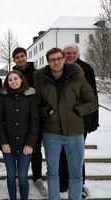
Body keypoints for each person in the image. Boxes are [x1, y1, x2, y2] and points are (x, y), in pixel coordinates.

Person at [34, 48, 98, 200]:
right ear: (48, 61)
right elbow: (36, 106)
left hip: (75, 133)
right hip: (51, 133)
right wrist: (46, 111)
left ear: (64, 59)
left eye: (58, 58)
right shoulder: (42, 80)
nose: (56, 62)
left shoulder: (77, 78)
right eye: (52, 60)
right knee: (52, 172)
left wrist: (78, 111)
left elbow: (92, 102)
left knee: (76, 173)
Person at [59, 43, 99, 198]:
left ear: (78, 54)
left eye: (73, 53)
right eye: (68, 53)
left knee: (77, 155)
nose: (71, 56)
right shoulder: (59, 68)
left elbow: (92, 96)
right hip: (60, 120)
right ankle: (63, 182)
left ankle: (79, 184)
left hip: (80, 120)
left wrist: (93, 121)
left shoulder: (86, 69)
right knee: (61, 153)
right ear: (63, 54)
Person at [0, 70, 39, 200]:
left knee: (22, 176)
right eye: (10, 80)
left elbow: (35, 122)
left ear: (21, 80)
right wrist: (3, 142)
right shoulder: (3, 97)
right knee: (11, 176)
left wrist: (30, 144)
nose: (13, 82)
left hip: (25, 145)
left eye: (16, 79)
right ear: (7, 82)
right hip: (8, 145)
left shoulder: (30, 97)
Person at [12, 47, 47, 196]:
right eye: (17, 57)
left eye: (22, 56)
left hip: (34, 116)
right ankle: (22, 178)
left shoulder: (36, 73)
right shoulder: (13, 73)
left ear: (26, 57)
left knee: (35, 148)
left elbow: (43, 93)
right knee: (20, 150)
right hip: (18, 118)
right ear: (14, 60)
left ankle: (37, 177)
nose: (20, 59)